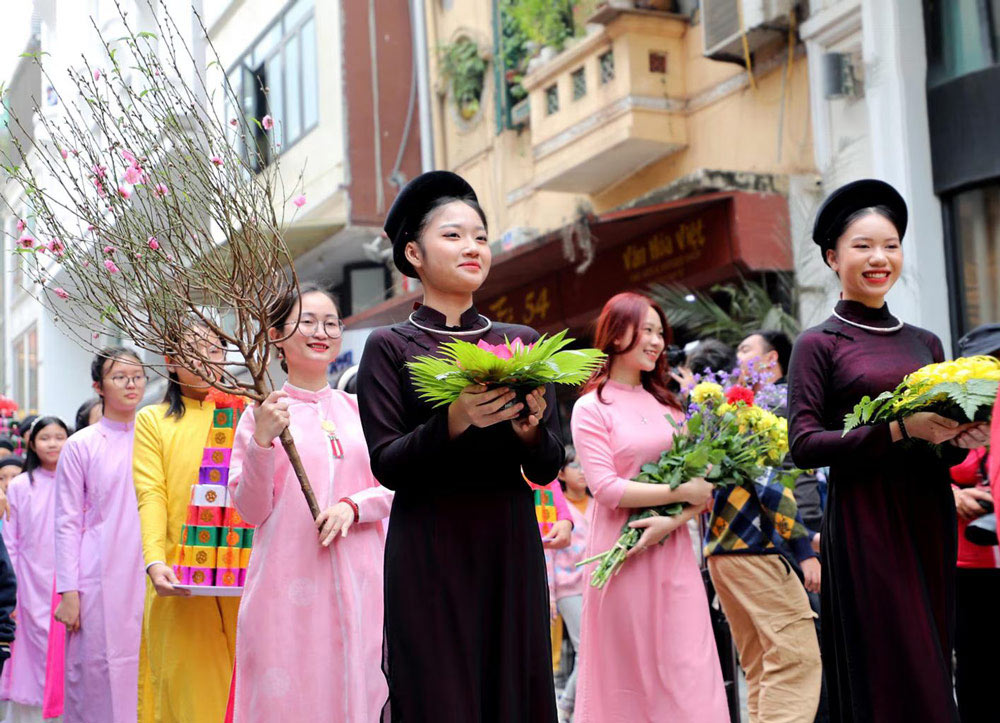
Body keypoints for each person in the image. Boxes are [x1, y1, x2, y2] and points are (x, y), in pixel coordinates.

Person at [356, 171, 564, 722]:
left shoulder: (520, 343)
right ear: (414, 253)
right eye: (452, 235)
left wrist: (529, 431)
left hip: (508, 543)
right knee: (440, 695)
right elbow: (387, 464)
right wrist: (452, 420)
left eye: (479, 235)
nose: (472, 247)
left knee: (513, 690)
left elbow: (548, 466)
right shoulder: (390, 346)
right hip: (430, 548)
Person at [787, 179, 989, 723]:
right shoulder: (819, 344)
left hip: (927, 512)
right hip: (866, 520)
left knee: (930, 650)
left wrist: (959, 439)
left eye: (891, 245)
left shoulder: (926, 343)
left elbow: (938, 448)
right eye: (862, 246)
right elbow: (804, 445)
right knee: (894, 662)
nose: (880, 258)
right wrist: (899, 432)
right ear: (832, 258)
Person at [228, 284, 393, 721]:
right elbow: (250, 510)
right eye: (306, 322)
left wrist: (353, 506)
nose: (321, 331)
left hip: (364, 584)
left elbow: (397, 487)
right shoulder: (259, 415)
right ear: (278, 336)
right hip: (287, 587)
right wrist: (262, 441)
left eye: (331, 322)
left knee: (361, 693)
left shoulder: (362, 410)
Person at [571, 292, 729, 723]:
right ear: (615, 332)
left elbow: (700, 484)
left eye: (661, 332)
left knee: (688, 669)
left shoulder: (669, 404)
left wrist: (673, 518)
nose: (657, 341)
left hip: (672, 548)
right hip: (622, 555)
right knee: (631, 675)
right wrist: (683, 495)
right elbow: (605, 488)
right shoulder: (591, 406)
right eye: (647, 330)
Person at [132, 325, 239, 722]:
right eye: (193, 349)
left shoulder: (245, 411)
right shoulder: (153, 420)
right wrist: (155, 561)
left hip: (241, 579)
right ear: (170, 362)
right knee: (191, 698)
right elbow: (151, 494)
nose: (207, 357)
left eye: (216, 347)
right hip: (181, 580)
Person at [53, 347, 147, 722]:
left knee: (148, 664)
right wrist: (69, 591)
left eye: (137, 376)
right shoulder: (81, 445)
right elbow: (66, 521)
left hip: (152, 570)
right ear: (98, 386)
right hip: (98, 576)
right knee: (96, 671)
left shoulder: (155, 434)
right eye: (119, 377)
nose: (131, 384)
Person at [947, 323, 1000, 723]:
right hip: (969, 564)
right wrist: (954, 495)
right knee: (976, 664)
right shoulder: (950, 414)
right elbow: (919, 471)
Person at [0, 417, 69, 723]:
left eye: (59, 437)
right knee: (29, 649)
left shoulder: (75, 480)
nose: (52, 444)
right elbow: (10, 540)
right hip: (28, 579)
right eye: (45, 438)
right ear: (31, 443)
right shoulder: (19, 485)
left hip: (65, 577)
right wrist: (13, 587)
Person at [548, 446, 591, 723]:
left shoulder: (598, 503)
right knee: (585, 648)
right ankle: (566, 705)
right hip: (567, 586)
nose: (583, 472)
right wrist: (550, 593)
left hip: (595, 585)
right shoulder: (555, 505)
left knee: (592, 648)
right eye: (576, 466)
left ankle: (579, 707)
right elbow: (548, 551)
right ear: (562, 473)